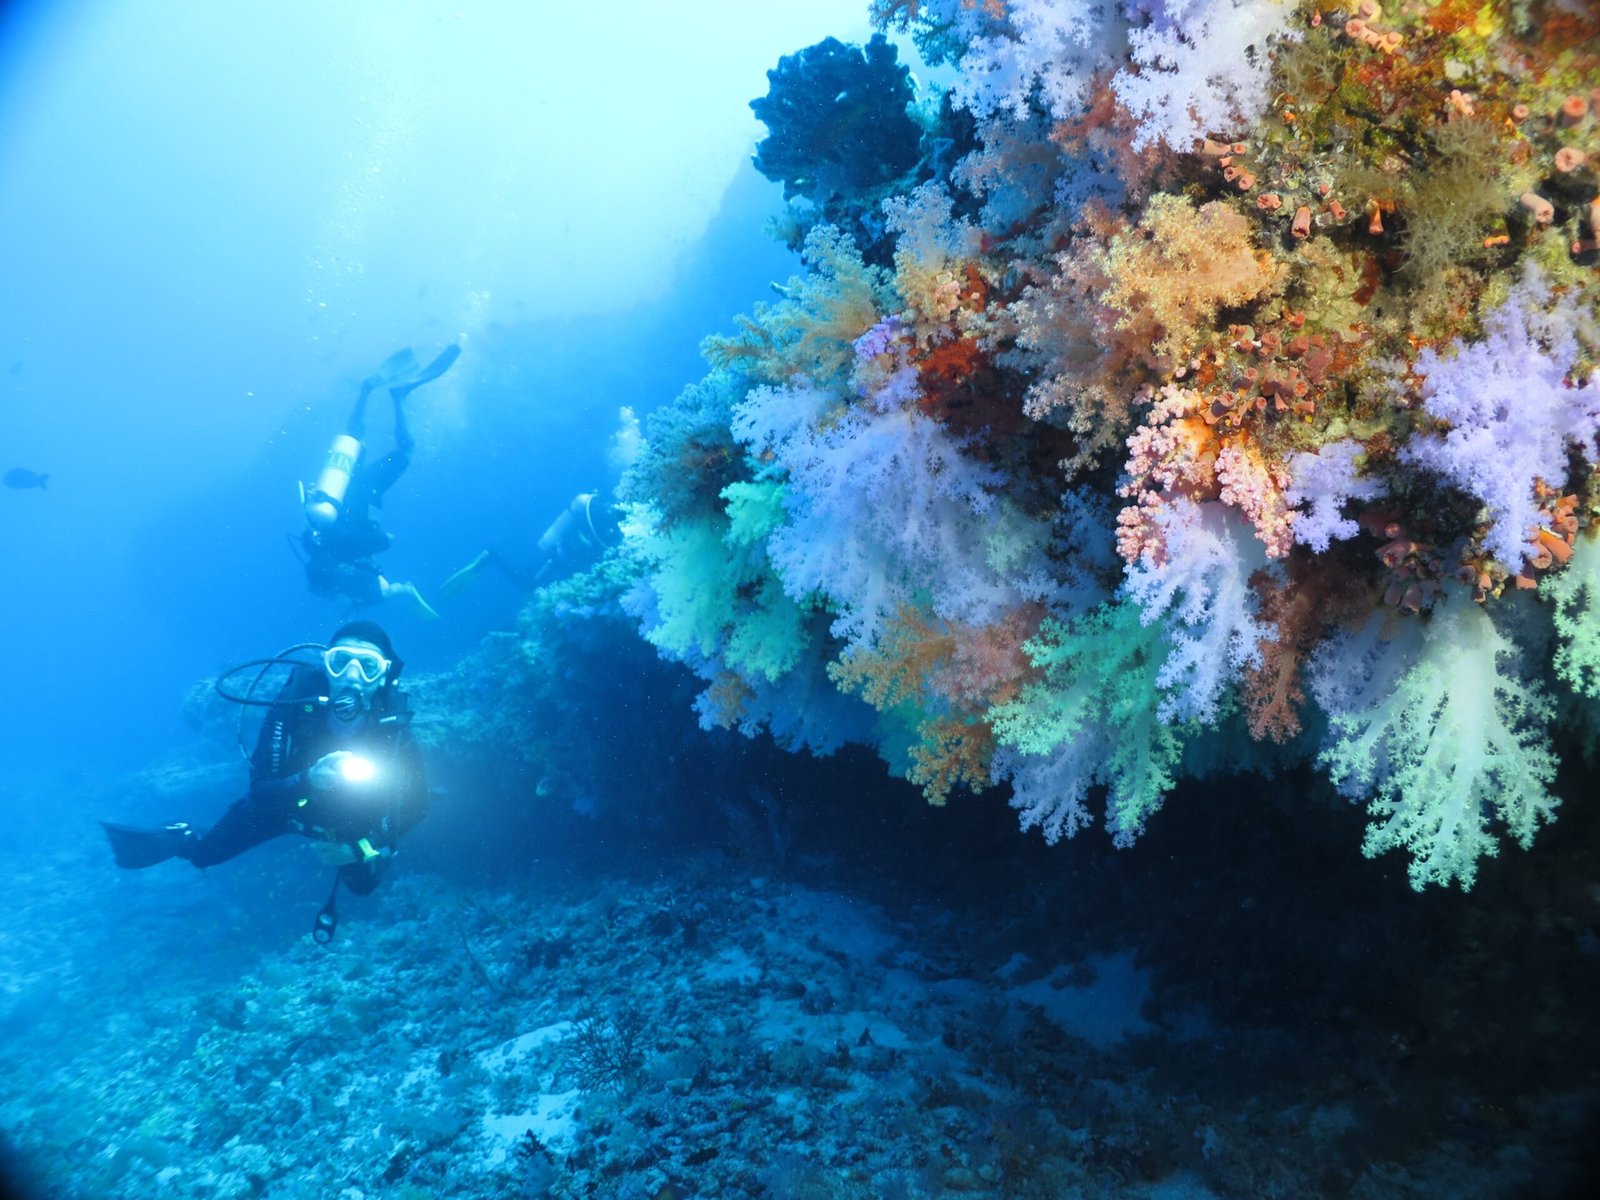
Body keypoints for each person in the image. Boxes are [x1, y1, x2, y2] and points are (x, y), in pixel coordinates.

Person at [102, 622, 428, 938]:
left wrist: (360, 848)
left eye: (368, 665)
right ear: (327, 667)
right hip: (284, 805)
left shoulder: (393, 726)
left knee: (363, 887)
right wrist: (309, 778)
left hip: (349, 818)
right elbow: (260, 793)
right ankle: (180, 836)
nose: (353, 677)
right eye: (341, 661)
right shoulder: (291, 706)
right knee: (202, 855)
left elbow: (416, 805)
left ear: (384, 674)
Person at [298, 345, 461, 617]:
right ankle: (366, 390)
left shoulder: (352, 547)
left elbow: (387, 540)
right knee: (353, 437)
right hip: (342, 481)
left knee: (406, 451)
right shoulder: (312, 541)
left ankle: (399, 397)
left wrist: (379, 548)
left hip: (364, 488)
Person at [440, 490, 618, 596]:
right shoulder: (609, 521)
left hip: (564, 553)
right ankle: (491, 557)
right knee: (529, 585)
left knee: (528, 575)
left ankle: (492, 557)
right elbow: (592, 543)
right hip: (563, 555)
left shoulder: (606, 515)